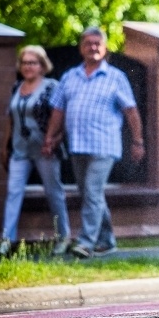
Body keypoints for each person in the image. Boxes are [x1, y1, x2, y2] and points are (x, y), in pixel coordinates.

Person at [43, 26, 146, 259]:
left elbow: (131, 111)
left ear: (105, 48)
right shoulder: (70, 76)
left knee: (92, 191)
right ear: (81, 48)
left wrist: (138, 141)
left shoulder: (115, 77)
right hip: (77, 144)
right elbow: (58, 109)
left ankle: (86, 242)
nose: (93, 47)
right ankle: (107, 241)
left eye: (97, 43)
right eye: (88, 43)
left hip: (104, 146)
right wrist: (50, 137)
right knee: (91, 194)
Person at [0, 45, 71, 256]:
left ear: (42, 65)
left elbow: (62, 116)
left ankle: (63, 237)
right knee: (13, 193)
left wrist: (56, 139)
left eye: (32, 63)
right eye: (24, 63)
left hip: (45, 150)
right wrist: (5, 146)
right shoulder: (16, 87)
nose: (28, 67)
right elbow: (10, 119)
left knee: (53, 192)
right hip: (20, 150)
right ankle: (7, 241)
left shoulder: (51, 86)